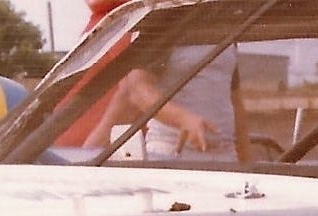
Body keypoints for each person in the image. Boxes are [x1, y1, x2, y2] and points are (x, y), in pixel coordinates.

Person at [83, 45, 250, 162]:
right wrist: (183, 118)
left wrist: (247, 164)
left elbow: (235, 100)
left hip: (226, 157)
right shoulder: (162, 19)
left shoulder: (228, 24)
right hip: (173, 155)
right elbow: (137, 88)